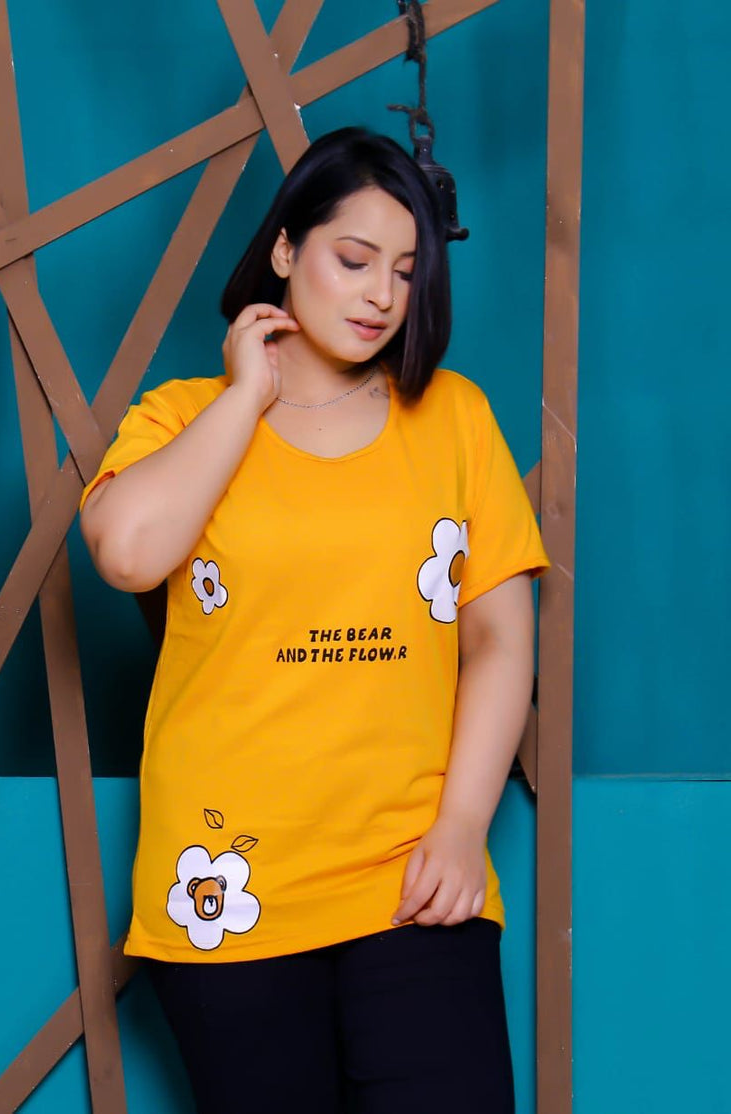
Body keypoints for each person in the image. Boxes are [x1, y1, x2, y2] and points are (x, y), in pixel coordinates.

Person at [78, 127, 548, 1113]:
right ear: (284, 251)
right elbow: (125, 551)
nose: (382, 293)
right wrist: (246, 397)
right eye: (352, 258)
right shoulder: (179, 416)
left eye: (406, 270)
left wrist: (463, 826)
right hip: (228, 895)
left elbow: (499, 638)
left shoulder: (453, 419)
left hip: (412, 879)